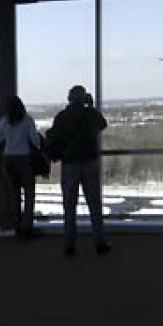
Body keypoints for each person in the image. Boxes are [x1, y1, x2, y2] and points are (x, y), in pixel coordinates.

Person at [46, 85, 110, 257]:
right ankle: (100, 242)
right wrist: (91, 106)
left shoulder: (62, 117)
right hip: (89, 163)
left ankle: (69, 244)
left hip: (69, 165)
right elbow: (103, 125)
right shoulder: (91, 115)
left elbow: (54, 138)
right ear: (84, 98)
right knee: (94, 205)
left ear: (69, 98)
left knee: (69, 206)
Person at [0, 96, 42, 239]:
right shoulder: (27, 120)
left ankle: (17, 225)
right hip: (24, 159)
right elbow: (35, 141)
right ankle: (27, 228)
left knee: (14, 195)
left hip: (8, 159)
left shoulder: (4, 120)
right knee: (29, 195)